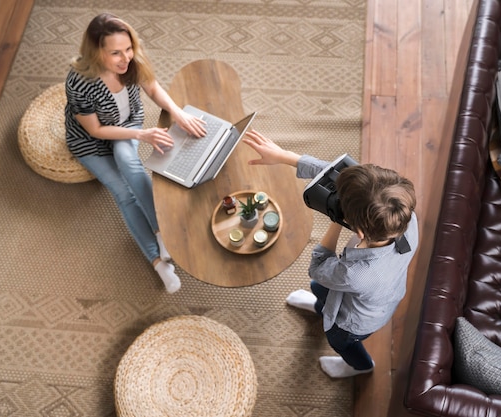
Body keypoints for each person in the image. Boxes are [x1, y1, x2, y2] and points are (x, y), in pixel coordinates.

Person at [243, 130, 418, 378]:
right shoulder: (401, 212)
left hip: (353, 322)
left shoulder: (353, 274)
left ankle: (360, 366)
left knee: (339, 340)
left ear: (357, 228)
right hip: (383, 290)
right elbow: (350, 179)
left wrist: (335, 221)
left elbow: (319, 264)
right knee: (319, 288)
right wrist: (285, 157)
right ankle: (321, 307)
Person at [64, 13, 206, 293]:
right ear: (95, 52)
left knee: (130, 163)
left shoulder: (132, 60)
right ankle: (158, 263)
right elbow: (94, 130)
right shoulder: (78, 82)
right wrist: (142, 135)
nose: (125, 58)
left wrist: (176, 113)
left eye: (128, 49)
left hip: (126, 124)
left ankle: (161, 231)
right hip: (90, 140)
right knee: (122, 193)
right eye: (115, 52)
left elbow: (151, 87)